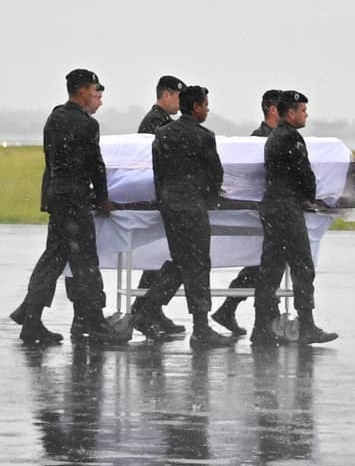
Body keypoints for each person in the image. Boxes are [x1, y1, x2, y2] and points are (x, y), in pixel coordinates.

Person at [12, 68, 125, 347]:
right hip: (75, 200)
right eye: (95, 90)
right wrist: (103, 198)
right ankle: (94, 321)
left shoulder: (54, 118)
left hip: (58, 197)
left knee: (53, 258)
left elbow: (50, 161)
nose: (97, 95)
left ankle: (31, 318)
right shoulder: (87, 125)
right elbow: (96, 165)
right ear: (83, 90)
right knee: (85, 262)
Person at [134, 85, 236, 349]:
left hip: (171, 207)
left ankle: (146, 309)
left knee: (181, 262)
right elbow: (215, 174)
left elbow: (157, 171)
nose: (207, 110)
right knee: (198, 264)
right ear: (196, 107)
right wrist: (208, 200)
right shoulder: (204, 136)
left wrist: (165, 200)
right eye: (205, 105)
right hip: (193, 207)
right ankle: (200, 328)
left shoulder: (163, 133)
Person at [252, 90, 338, 349]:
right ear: (290, 113)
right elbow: (304, 175)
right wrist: (310, 195)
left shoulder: (274, 137)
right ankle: (307, 325)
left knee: (271, 269)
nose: (306, 115)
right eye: (302, 110)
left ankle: (261, 327)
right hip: (287, 208)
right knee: (302, 266)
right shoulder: (291, 138)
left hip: (272, 206)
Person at [212, 88, 284, 336]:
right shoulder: (258, 140)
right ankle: (265, 319)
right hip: (261, 209)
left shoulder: (272, 137)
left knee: (262, 263)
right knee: (266, 263)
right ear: (273, 110)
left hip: (264, 208)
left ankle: (231, 309)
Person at [133, 75, 187, 337]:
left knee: (158, 257)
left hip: (162, 195)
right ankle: (145, 310)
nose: (180, 102)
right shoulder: (155, 123)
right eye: (178, 96)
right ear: (166, 94)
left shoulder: (161, 121)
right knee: (164, 257)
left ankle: (147, 309)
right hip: (161, 195)